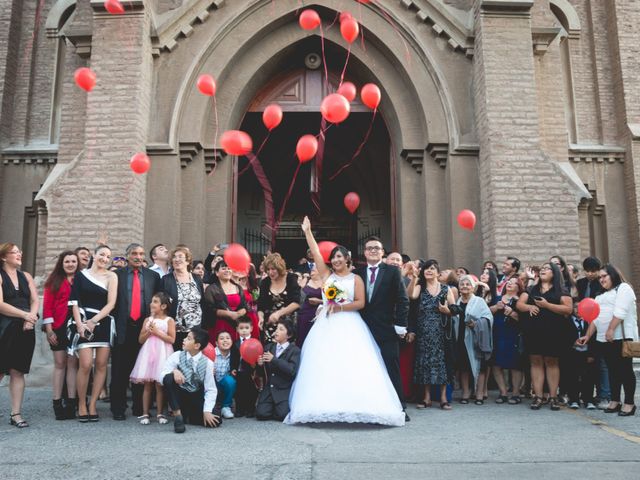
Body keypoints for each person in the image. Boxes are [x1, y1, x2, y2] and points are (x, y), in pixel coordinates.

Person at [285, 218, 405, 426]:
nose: (336, 260)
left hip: (350, 324)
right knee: (324, 365)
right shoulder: (327, 275)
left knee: (351, 364)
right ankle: (323, 405)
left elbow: (360, 302)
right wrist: (307, 232)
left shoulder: (356, 278)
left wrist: (338, 306)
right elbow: (315, 253)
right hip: (326, 326)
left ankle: (354, 404)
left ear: (347, 258)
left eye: (340, 256)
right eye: (334, 257)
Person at [355, 235, 410, 420]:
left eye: (376, 248)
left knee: (391, 367)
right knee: (365, 368)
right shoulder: (358, 273)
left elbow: (403, 300)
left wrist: (401, 325)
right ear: (364, 252)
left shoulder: (393, 272)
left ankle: (399, 407)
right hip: (363, 329)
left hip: (387, 328)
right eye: (369, 248)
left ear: (382, 252)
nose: (373, 250)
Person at [578, 264, 638, 416]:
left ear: (613, 275)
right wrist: (588, 335)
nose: (601, 279)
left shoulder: (623, 288)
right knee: (612, 371)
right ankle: (615, 401)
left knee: (625, 370)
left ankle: (629, 403)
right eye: (600, 277)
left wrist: (611, 329)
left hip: (621, 337)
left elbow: (621, 311)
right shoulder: (600, 295)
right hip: (604, 338)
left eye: (605, 276)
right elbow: (595, 319)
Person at [110, 243, 161, 420]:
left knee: (142, 368)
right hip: (123, 327)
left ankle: (139, 407)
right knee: (119, 370)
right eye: (134, 254)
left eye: (141, 253)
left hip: (144, 329)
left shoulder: (153, 276)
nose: (138, 257)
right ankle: (118, 408)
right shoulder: (116, 275)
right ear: (127, 256)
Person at [69, 245, 118, 422]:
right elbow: (74, 301)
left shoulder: (112, 276)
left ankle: (93, 405)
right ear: (94, 255)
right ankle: (82, 403)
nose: (105, 258)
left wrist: (94, 321)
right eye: (102, 255)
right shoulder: (81, 275)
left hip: (102, 321)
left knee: (102, 364)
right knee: (85, 364)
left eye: (108, 256)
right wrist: (80, 325)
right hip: (82, 321)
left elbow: (111, 303)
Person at [516, 263, 572, 410]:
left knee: (552, 362)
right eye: (542, 269)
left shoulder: (561, 290)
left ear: (554, 273)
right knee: (535, 362)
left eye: (547, 268)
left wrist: (547, 305)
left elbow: (568, 309)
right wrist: (529, 307)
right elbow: (519, 304)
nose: (543, 270)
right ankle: (538, 396)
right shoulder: (531, 289)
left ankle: (553, 397)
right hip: (534, 331)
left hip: (554, 331)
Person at [407, 259, 456, 410]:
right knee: (425, 364)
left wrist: (447, 311)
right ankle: (426, 398)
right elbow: (411, 296)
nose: (429, 271)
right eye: (426, 269)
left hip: (441, 331)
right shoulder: (420, 286)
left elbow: (455, 308)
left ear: (438, 272)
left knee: (442, 363)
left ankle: (443, 398)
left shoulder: (446, 288)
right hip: (424, 331)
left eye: (432, 268)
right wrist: (414, 278)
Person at [0, 243, 39, 428]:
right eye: (14, 252)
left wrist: (31, 318)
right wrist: (25, 315)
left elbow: (34, 300)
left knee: (18, 371)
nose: (19, 255)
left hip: (25, 328)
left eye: (19, 252)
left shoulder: (27, 276)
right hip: (4, 326)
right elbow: (0, 305)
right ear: (3, 257)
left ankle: (15, 414)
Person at [161, 327, 221, 433]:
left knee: (216, 419)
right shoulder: (177, 355)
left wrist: (206, 411)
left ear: (197, 345)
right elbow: (161, 376)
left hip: (196, 396)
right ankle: (178, 415)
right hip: (180, 396)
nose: (184, 340)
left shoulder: (208, 364)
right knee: (168, 378)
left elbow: (210, 389)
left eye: (188, 338)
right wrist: (174, 371)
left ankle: (189, 417)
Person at [42, 250, 79, 420]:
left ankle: (71, 403)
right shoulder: (54, 281)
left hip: (76, 327)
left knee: (72, 364)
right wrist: (49, 329)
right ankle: (57, 403)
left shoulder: (81, 280)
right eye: (67, 262)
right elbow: (47, 306)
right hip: (57, 326)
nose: (71, 264)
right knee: (59, 364)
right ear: (62, 264)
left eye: (73, 261)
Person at [129, 292, 176, 425]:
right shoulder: (147, 320)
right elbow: (140, 339)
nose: (151, 304)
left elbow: (171, 339)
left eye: (155, 301)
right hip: (148, 354)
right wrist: (149, 331)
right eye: (152, 301)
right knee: (148, 385)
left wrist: (157, 332)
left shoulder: (169, 320)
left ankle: (160, 413)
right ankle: (145, 413)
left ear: (163, 306)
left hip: (163, 353)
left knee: (159, 385)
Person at [451, 275, 493, 404]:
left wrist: (477, 324)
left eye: (467, 284)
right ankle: (466, 393)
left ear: (473, 287)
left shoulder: (479, 301)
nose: (464, 286)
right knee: (464, 367)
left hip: (476, 338)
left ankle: (479, 394)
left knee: (480, 367)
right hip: (461, 339)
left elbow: (488, 317)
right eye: (462, 284)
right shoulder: (457, 302)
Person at [161, 246, 204, 350]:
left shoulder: (197, 279)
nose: (176, 259)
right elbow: (162, 304)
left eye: (180, 257)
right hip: (175, 330)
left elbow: (202, 302)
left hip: (196, 329)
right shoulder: (166, 279)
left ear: (188, 261)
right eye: (174, 257)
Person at [257, 319, 301, 421]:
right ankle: (271, 407)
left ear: (289, 335)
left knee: (282, 416)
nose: (276, 331)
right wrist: (259, 365)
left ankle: (276, 408)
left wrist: (274, 360)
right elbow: (262, 373)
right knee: (261, 414)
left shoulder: (295, 350)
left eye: (281, 329)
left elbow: (292, 371)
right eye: (276, 328)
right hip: (268, 389)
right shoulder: (268, 347)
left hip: (283, 389)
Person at [491, 277, 524, 404]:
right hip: (497, 334)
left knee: (515, 364)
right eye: (508, 282)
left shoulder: (520, 300)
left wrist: (512, 313)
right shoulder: (497, 298)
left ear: (519, 287)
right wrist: (495, 307)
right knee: (496, 363)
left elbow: (524, 319)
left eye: (513, 283)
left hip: (513, 334)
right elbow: (487, 312)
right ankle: (503, 392)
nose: (509, 284)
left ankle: (515, 393)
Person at [257, 253, 300, 344]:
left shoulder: (291, 278)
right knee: (269, 353)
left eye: (273, 269)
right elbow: (261, 306)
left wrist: (278, 314)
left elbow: (296, 303)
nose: (270, 272)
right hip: (269, 325)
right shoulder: (265, 282)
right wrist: (260, 318)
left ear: (280, 268)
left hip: (287, 326)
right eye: (268, 269)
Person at [202, 260, 247, 343]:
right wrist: (228, 314)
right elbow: (209, 309)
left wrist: (238, 314)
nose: (227, 270)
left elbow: (244, 306)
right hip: (218, 325)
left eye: (229, 268)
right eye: (223, 268)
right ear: (216, 273)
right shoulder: (211, 289)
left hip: (236, 325)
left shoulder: (238, 287)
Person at [564, 303, 596, 409]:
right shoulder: (567, 321)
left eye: (580, 308)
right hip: (572, 354)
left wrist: (592, 354)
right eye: (575, 308)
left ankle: (588, 399)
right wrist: (572, 343)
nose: (578, 310)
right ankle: (573, 399)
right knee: (572, 376)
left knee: (588, 377)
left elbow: (593, 339)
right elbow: (563, 337)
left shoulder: (589, 322)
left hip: (586, 354)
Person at [234, 317, 258, 417]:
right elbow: (233, 358)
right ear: (237, 329)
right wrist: (233, 368)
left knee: (250, 389)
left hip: (250, 370)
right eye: (241, 328)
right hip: (239, 370)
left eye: (246, 328)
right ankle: (240, 409)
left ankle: (250, 409)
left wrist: (255, 367)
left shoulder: (255, 342)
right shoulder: (235, 343)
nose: (244, 330)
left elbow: (257, 354)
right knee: (239, 390)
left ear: (251, 329)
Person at [213, 331, 238, 419]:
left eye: (228, 338)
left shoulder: (234, 354)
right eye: (222, 338)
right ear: (216, 343)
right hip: (212, 383)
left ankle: (226, 406)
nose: (225, 341)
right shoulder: (211, 353)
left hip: (224, 384)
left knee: (230, 381)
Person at [296, 266, 323, 347]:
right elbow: (298, 294)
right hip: (305, 314)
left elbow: (332, 301)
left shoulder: (326, 282)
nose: (312, 270)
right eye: (312, 269)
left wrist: (320, 301)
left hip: (320, 314)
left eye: (315, 268)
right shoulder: (306, 280)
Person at [233, 265, 261, 339]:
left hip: (252, 315)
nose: (241, 272)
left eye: (244, 270)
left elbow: (257, 302)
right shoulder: (236, 286)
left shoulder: (254, 287)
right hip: (240, 316)